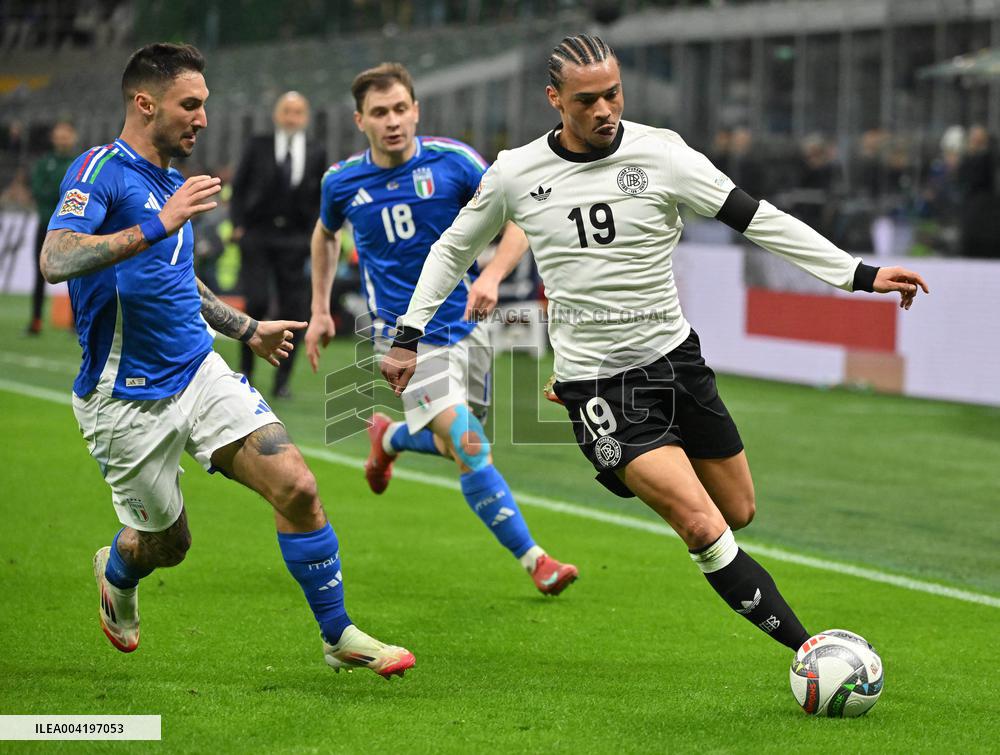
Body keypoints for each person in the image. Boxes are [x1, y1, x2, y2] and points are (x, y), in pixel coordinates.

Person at [381, 34, 929, 654]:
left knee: (738, 510)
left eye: (613, 94)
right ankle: (812, 653)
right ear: (554, 100)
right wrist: (408, 336)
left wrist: (856, 274)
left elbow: (758, 218)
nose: (604, 110)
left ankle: (624, 464)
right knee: (701, 524)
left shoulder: (662, 155)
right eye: (586, 100)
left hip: (675, 362)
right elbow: (452, 249)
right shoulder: (516, 171)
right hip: (598, 383)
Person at [40, 43, 413, 678]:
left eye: (204, 105)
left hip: (197, 369)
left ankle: (337, 634)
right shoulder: (100, 170)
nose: (203, 118)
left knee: (297, 485)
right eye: (191, 105)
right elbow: (56, 258)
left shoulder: (171, 181)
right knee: (169, 543)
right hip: (122, 398)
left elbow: (179, 278)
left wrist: (248, 327)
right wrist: (159, 222)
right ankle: (118, 572)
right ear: (144, 103)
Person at [305, 62, 578, 596]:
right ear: (360, 120)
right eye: (380, 113)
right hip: (404, 339)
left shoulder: (453, 163)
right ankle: (536, 560)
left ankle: (391, 437)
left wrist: (494, 275)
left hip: (470, 327)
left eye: (401, 109)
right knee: (472, 446)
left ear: (416, 111)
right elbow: (324, 235)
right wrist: (320, 309)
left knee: (462, 446)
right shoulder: (341, 181)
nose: (393, 121)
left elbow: (518, 216)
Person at [231, 91, 327, 398]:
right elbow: (239, 186)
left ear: (306, 117)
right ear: (276, 114)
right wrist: (238, 226)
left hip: (296, 239)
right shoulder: (258, 145)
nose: (292, 117)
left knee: (293, 310)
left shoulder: (316, 150)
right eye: (287, 110)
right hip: (258, 234)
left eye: (298, 111)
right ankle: (246, 371)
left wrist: (314, 234)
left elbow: (318, 195)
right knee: (256, 302)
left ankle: (282, 380)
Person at [27, 119, 78, 334]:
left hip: (71, 228)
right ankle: (36, 321)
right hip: (45, 224)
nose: (62, 139)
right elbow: (39, 191)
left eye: (66, 135)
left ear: (72, 138)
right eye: (59, 135)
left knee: (76, 275)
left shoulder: (78, 163)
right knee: (38, 274)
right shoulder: (43, 162)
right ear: (53, 138)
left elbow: (77, 194)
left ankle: (75, 323)